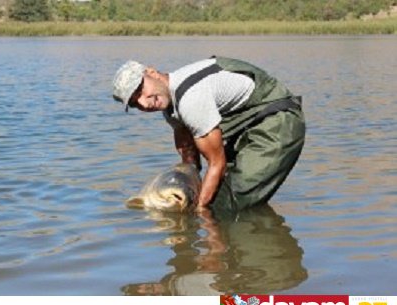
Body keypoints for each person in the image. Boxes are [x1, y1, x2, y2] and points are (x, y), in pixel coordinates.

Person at [112, 56, 305, 212]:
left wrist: (199, 214)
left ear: (152, 73)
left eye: (141, 90)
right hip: (248, 125)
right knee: (218, 194)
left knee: (223, 206)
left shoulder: (190, 100)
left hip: (278, 122)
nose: (145, 104)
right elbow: (190, 161)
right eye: (136, 104)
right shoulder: (171, 107)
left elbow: (217, 164)